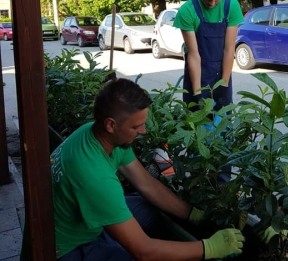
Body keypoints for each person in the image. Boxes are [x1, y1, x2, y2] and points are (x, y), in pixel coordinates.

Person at [50, 78, 244, 260]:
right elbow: (144, 251)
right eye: (136, 126)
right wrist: (209, 247)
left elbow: (146, 184)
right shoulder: (94, 177)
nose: (143, 131)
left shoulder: (98, 134)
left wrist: (192, 215)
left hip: (80, 218)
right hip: (67, 248)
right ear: (110, 124)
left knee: (147, 207)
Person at [173, 0, 244, 110]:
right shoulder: (187, 10)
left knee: (223, 126)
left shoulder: (232, 6)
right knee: (196, 125)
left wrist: (224, 84)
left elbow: (229, 49)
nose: (211, 3)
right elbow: (194, 55)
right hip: (197, 76)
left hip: (221, 75)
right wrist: (197, 93)